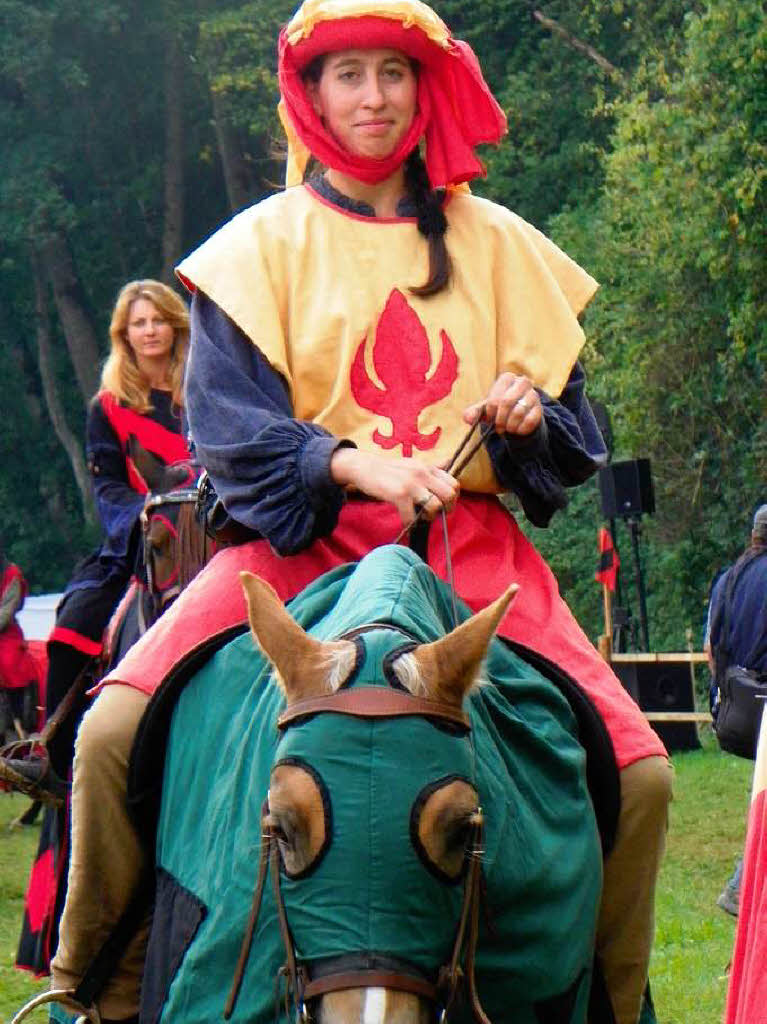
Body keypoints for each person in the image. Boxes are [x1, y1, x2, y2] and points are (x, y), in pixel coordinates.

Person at [46, 4, 672, 1023]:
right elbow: (230, 436)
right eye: (349, 76)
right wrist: (348, 464)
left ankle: (604, 1001)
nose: (373, 98)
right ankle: (98, 992)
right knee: (110, 731)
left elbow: (568, 436)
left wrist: (526, 415)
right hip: (293, 554)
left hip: (470, 559)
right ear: (311, 94)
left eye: (393, 73)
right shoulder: (254, 251)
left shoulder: (502, 246)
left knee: (642, 778)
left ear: (422, 89)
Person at [0, 279, 191, 978]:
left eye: (155, 320)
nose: (147, 331)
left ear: (173, 325)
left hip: (212, 531)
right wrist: (136, 524)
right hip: (140, 536)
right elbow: (108, 487)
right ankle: (50, 747)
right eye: (135, 324)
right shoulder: (109, 405)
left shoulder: (207, 388)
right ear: (123, 334)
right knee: (79, 616)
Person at [706, 504, 767, 916]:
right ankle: (740, 885)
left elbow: (712, 653)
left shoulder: (728, 579)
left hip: (736, 711)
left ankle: (743, 885)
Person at [0, 549, 39, 733]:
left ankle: (20, 722)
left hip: (6, 634)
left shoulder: (11, 575)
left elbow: (6, 613)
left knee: (10, 664)